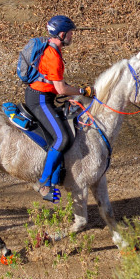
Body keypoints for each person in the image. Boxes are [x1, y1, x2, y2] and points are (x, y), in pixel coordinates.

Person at [25, 15, 94, 202]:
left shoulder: (52, 47)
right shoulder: (53, 55)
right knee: (62, 138)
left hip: (45, 96)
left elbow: (57, 85)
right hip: (39, 101)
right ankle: (45, 183)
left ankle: (56, 178)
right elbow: (61, 88)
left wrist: (71, 94)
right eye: (71, 33)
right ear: (62, 34)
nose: (72, 36)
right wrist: (82, 91)